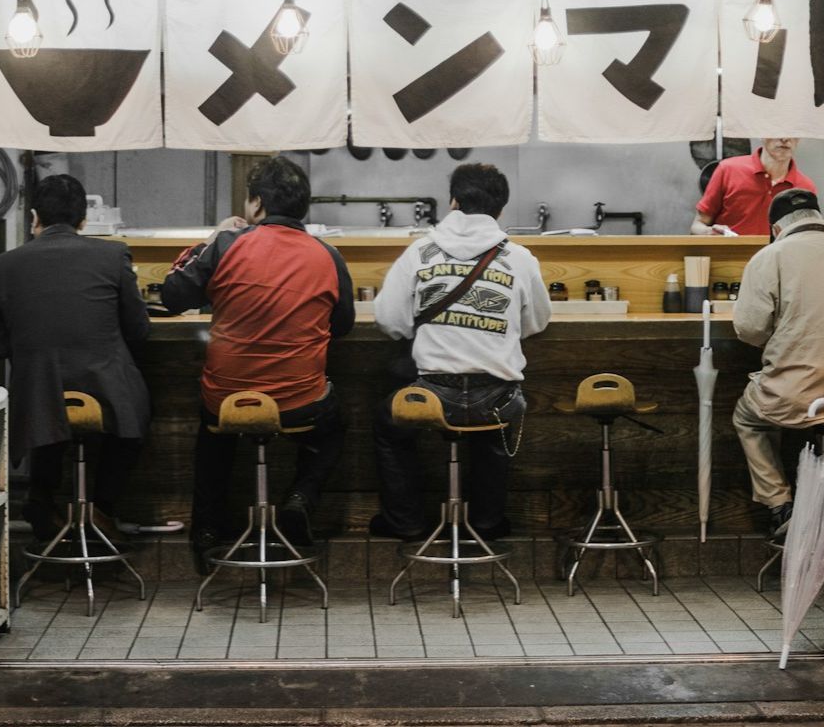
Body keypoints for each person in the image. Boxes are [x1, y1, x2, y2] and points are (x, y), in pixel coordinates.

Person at [156, 156, 353, 569]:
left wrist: (213, 238)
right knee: (333, 427)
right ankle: (301, 499)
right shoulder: (328, 256)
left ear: (257, 204)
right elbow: (344, 325)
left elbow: (173, 296)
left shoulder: (228, 245)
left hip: (228, 399)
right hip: (300, 401)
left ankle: (208, 531)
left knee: (215, 432)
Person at [369, 163, 552, 541]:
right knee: (498, 430)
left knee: (390, 426)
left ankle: (406, 522)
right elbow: (537, 323)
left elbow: (390, 321)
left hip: (433, 394)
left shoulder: (419, 252)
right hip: (497, 396)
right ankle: (486, 524)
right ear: (500, 210)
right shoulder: (519, 258)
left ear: (453, 201)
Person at [0, 174, 154, 544]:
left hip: (38, 398)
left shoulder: (1, 267)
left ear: (33, 218)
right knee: (133, 410)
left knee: (48, 404)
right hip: (105, 392)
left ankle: (41, 500)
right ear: (82, 221)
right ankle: (102, 507)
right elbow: (139, 329)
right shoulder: (113, 255)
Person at [731, 188, 824, 538]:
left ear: (776, 228)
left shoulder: (770, 257)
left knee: (750, 418)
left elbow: (750, 331)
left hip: (792, 395)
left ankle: (781, 504)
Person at [691, 137, 816, 236]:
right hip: (731, 261)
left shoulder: (805, 187)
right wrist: (708, 232)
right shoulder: (728, 170)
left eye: (793, 131)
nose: (785, 138)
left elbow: (807, 236)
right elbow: (697, 225)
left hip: (778, 264)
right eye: (776, 129)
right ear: (760, 133)